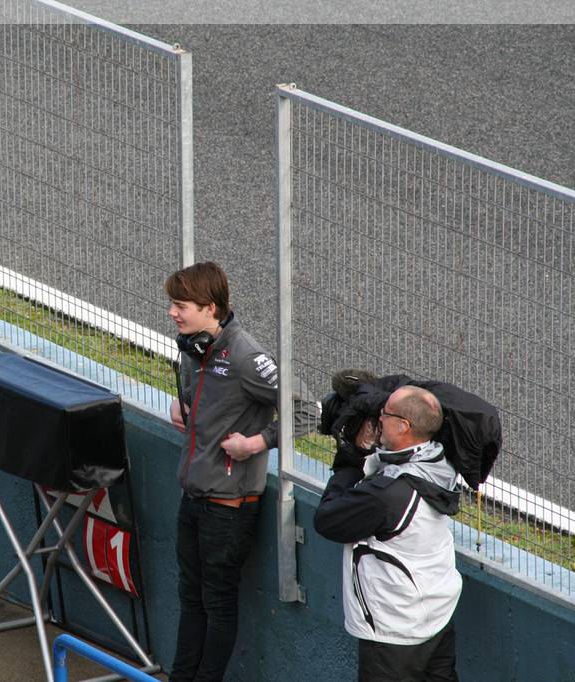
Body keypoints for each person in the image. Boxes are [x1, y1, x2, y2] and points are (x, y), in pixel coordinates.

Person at [165, 261, 317, 682]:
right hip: (193, 497)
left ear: (210, 308)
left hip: (229, 508)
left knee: (216, 602)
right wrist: (181, 403)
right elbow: (200, 397)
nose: (173, 313)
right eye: (172, 305)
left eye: (181, 306)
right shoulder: (192, 347)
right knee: (190, 597)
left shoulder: (247, 356)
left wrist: (256, 443)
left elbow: (308, 411)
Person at [314, 385, 462, 682]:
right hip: (437, 613)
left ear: (404, 426)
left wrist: (351, 456)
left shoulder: (386, 495)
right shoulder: (439, 462)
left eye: (385, 414)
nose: (379, 419)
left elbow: (327, 520)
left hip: (394, 629)